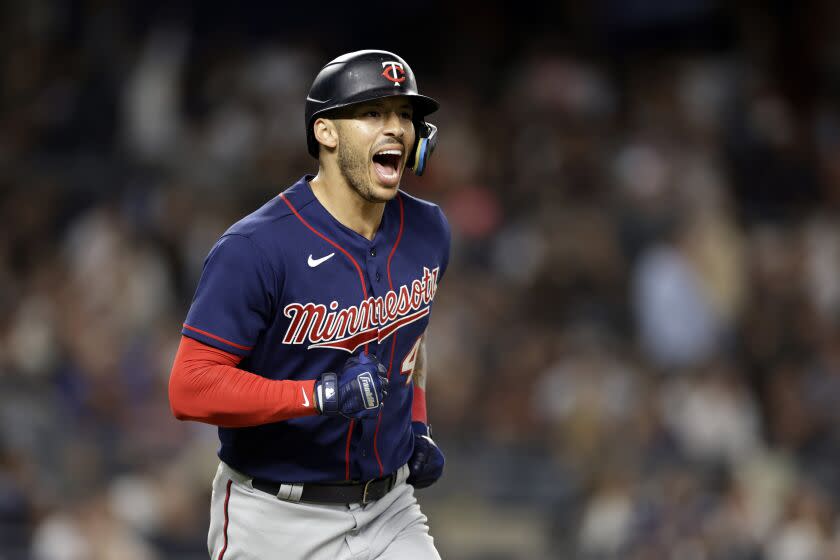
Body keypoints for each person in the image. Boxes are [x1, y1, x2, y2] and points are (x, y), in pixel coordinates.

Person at [168, 49, 450, 560]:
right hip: (275, 515)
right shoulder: (256, 247)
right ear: (326, 132)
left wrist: (418, 425)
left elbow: (412, 337)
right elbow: (190, 387)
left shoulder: (428, 229)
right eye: (373, 113)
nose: (396, 129)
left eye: (405, 116)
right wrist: (317, 396)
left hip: (390, 510)